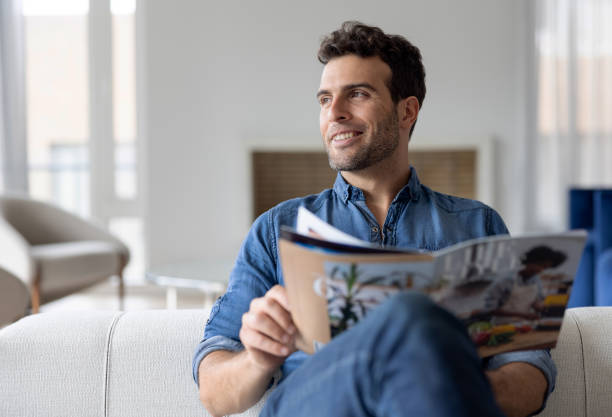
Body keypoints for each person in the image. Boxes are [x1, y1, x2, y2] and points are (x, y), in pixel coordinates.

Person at [193, 21, 554, 417]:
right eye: (324, 99)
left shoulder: (478, 226)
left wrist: (435, 376)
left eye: (357, 94)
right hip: (312, 403)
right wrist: (258, 358)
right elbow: (214, 393)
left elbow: (530, 376)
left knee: (412, 325)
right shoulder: (276, 230)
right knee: (409, 313)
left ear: (407, 110)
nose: (335, 113)